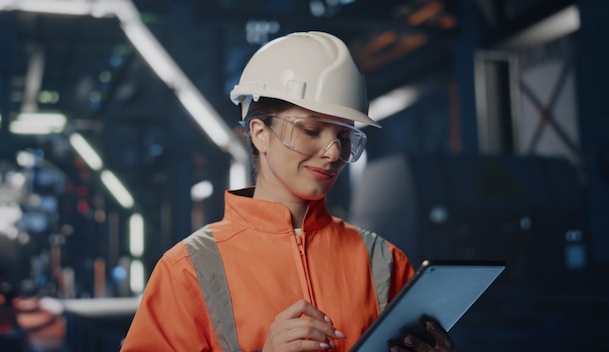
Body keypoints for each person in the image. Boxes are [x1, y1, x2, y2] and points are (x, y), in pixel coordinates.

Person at [120, 31, 455, 352]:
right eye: (311, 130)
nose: (334, 152)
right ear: (259, 133)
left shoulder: (385, 262)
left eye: (344, 137)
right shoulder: (188, 270)